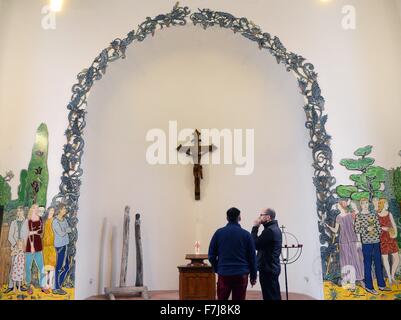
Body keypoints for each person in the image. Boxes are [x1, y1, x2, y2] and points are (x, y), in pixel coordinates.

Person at [208, 207, 257, 300]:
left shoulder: (219, 233)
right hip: (241, 274)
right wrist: (253, 276)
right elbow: (252, 257)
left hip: (224, 273)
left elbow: (211, 255)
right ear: (239, 218)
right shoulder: (246, 235)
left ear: (227, 218)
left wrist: (218, 268)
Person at [325, 199, 364, 290]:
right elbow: (336, 230)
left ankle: (356, 280)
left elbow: (356, 227)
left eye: (338, 205)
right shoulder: (338, 217)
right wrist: (329, 227)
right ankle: (350, 282)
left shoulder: (351, 215)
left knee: (355, 260)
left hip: (353, 240)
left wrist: (359, 241)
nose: (337, 207)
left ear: (342, 205)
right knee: (346, 261)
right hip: (343, 242)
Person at [354, 198, 390, 295]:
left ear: (368, 204)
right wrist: (366, 229)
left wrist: (376, 232)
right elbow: (357, 229)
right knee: (368, 264)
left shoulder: (373, 214)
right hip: (366, 243)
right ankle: (369, 287)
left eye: (366, 203)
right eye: (363, 204)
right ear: (360, 205)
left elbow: (378, 226)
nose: (365, 205)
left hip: (376, 242)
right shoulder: (359, 216)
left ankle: (381, 285)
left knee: (378, 263)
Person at [251, 208, 282, 300]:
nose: (259, 217)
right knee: (274, 294)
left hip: (268, 268)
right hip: (272, 267)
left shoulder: (269, 231)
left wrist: (255, 227)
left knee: (270, 296)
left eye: (261, 215)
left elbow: (254, 244)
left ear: (268, 217)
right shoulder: (273, 228)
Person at [25, 204, 49, 295]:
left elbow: (41, 231)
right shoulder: (29, 219)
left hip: (38, 244)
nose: (37, 209)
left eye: (37, 208)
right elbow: (30, 233)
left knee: (41, 267)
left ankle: (42, 285)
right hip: (30, 245)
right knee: (28, 267)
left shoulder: (40, 218)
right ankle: (28, 285)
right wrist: (31, 246)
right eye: (35, 208)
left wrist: (35, 231)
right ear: (32, 209)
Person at [4, 206, 28, 294]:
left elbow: (28, 235)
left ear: (23, 212)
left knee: (23, 266)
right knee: (14, 266)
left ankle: (20, 285)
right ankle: (11, 286)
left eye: (21, 211)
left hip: (24, 247)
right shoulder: (14, 223)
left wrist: (25, 245)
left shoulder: (27, 222)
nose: (19, 213)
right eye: (18, 211)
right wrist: (15, 244)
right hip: (15, 247)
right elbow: (10, 235)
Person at [377, 198, 400, 286]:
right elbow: (376, 227)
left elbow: (394, 224)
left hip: (391, 238)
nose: (388, 205)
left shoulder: (389, 214)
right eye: (386, 204)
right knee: (385, 259)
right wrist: (383, 228)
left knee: (396, 258)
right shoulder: (377, 215)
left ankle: (392, 275)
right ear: (382, 205)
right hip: (382, 238)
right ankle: (389, 278)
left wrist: (395, 234)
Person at [52, 203, 72, 295]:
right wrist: (66, 230)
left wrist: (66, 230)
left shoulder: (64, 220)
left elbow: (69, 230)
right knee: (59, 267)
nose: (65, 210)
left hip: (66, 245)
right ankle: (56, 287)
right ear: (59, 210)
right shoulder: (55, 221)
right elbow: (61, 233)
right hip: (60, 247)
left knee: (67, 267)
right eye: (64, 208)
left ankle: (58, 285)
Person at [43, 207, 57, 290]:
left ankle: (51, 283)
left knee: (52, 265)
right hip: (44, 246)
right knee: (45, 265)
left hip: (52, 246)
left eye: (53, 210)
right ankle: (46, 283)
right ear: (48, 211)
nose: (52, 212)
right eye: (51, 210)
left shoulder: (54, 221)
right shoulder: (44, 221)